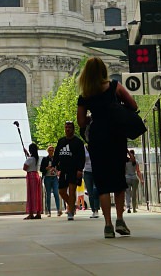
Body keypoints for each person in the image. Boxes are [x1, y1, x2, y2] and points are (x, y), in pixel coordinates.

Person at [75, 57, 135, 239]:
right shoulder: (115, 86)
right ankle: (120, 220)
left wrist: (93, 118)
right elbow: (133, 105)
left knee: (102, 183)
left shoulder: (85, 95)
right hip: (116, 136)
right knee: (118, 179)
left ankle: (107, 225)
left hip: (97, 139)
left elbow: (80, 121)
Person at [53, 120, 85, 219]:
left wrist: (80, 169)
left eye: (69, 127)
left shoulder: (78, 142)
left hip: (74, 170)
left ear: (73, 129)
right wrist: (54, 166)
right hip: (63, 170)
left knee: (72, 190)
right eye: (66, 127)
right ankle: (72, 206)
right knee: (61, 191)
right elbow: (56, 155)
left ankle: (70, 212)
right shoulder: (61, 141)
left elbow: (82, 157)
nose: (67, 129)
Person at [22, 143, 42, 219]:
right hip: (36, 175)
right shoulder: (37, 158)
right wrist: (27, 154)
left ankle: (31, 213)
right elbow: (31, 160)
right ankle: (38, 212)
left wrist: (27, 157)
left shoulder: (29, 159)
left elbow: (24, 168)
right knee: (37, 194)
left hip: (31, 176)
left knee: (31, 195)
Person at [40, 145, 60, 216]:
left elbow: (59, 167)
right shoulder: (45, 159)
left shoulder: (56, 159)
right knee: (48, 194)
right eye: (50, 150)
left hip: (54, 177)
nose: (51, 152)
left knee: (56, 193)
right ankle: (48, 211)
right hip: (47, 177)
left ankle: (58, 210)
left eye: (52, 150)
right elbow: (41, 169)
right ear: (48, 151)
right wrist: (46, 168)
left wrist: (56, 170)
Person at [82, 150, 99, 218]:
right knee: (90, 193)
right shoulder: (84, 149)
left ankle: (97, 209)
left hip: (96, 171)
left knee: (96, 191)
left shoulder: (96, 147)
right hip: (87, 172)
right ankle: (93, 210)